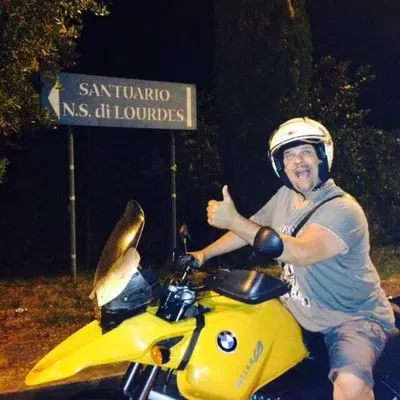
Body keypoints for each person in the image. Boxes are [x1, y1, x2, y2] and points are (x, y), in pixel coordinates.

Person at [191, 117, 395, 400]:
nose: (298, 161)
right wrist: (202, 255)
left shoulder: (343, 210)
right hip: (298, 310)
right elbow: (250, 229)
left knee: (349, 386)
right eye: (289, 155)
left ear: (322, 157)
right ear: (281, 166)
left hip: (351, 318)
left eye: (306, 152)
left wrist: (234, 220)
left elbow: (301, 252)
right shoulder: (285, 196)